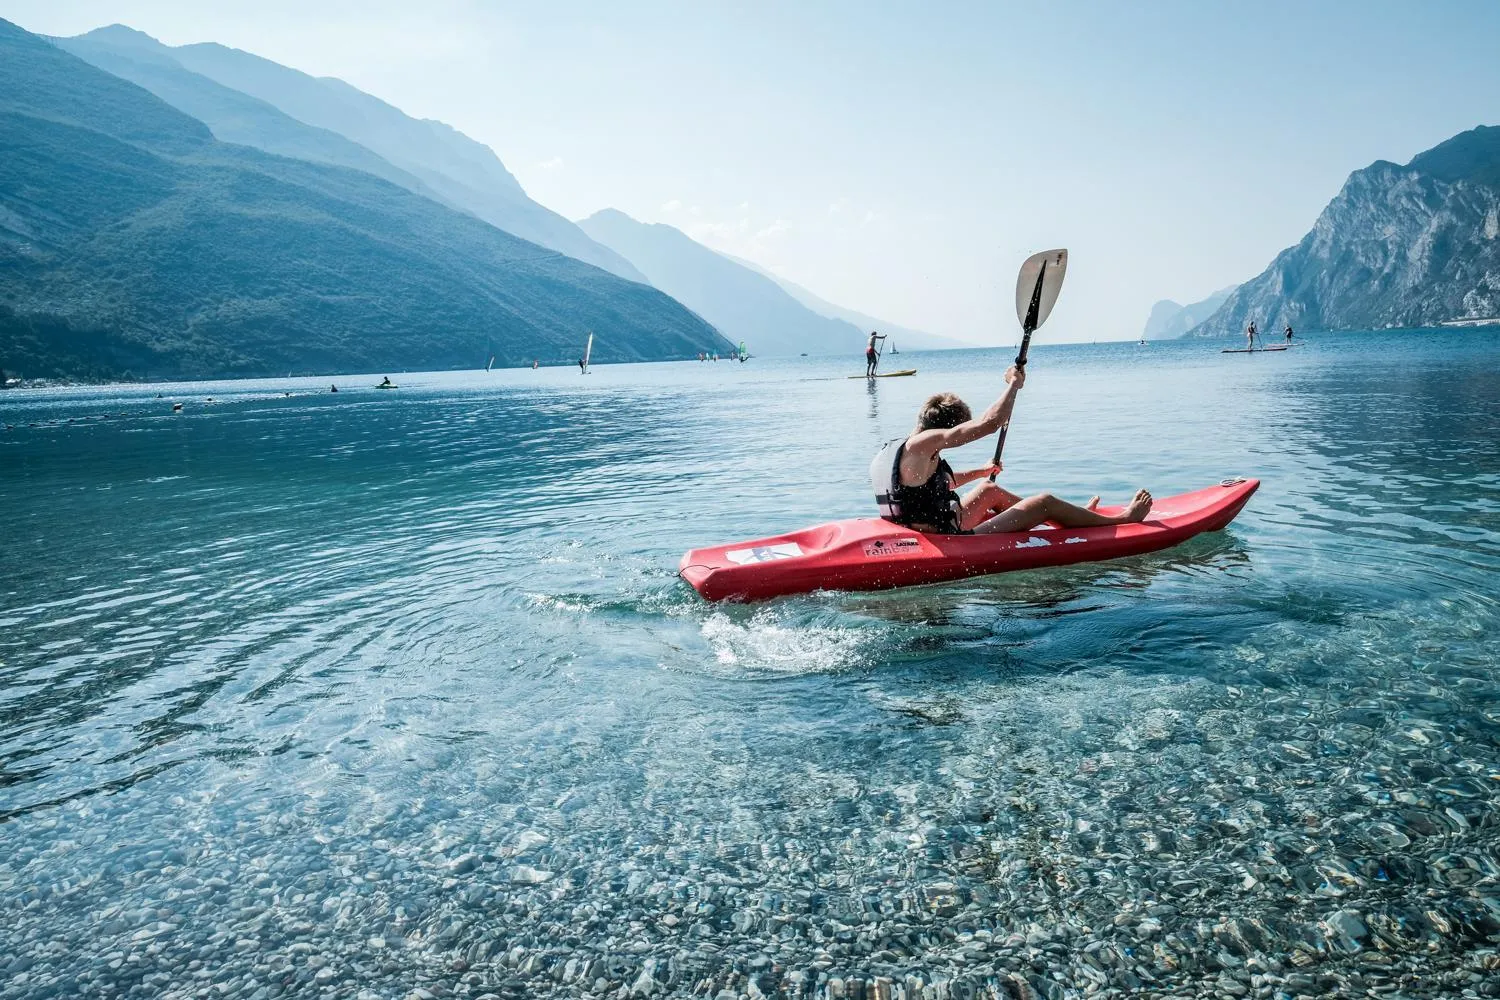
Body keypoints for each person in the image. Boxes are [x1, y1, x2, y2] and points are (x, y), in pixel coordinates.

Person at [870, 366, 1153, 534]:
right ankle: (1122, 520)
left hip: (924, 528)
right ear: (945, 430)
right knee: (1044, 502)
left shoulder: (895, 451)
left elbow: (935, 488)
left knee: (988, 489)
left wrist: (983, 471)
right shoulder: (926, 442)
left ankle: (1077, 516)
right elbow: (989, 424)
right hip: (950, 537)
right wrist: (1013, 386)